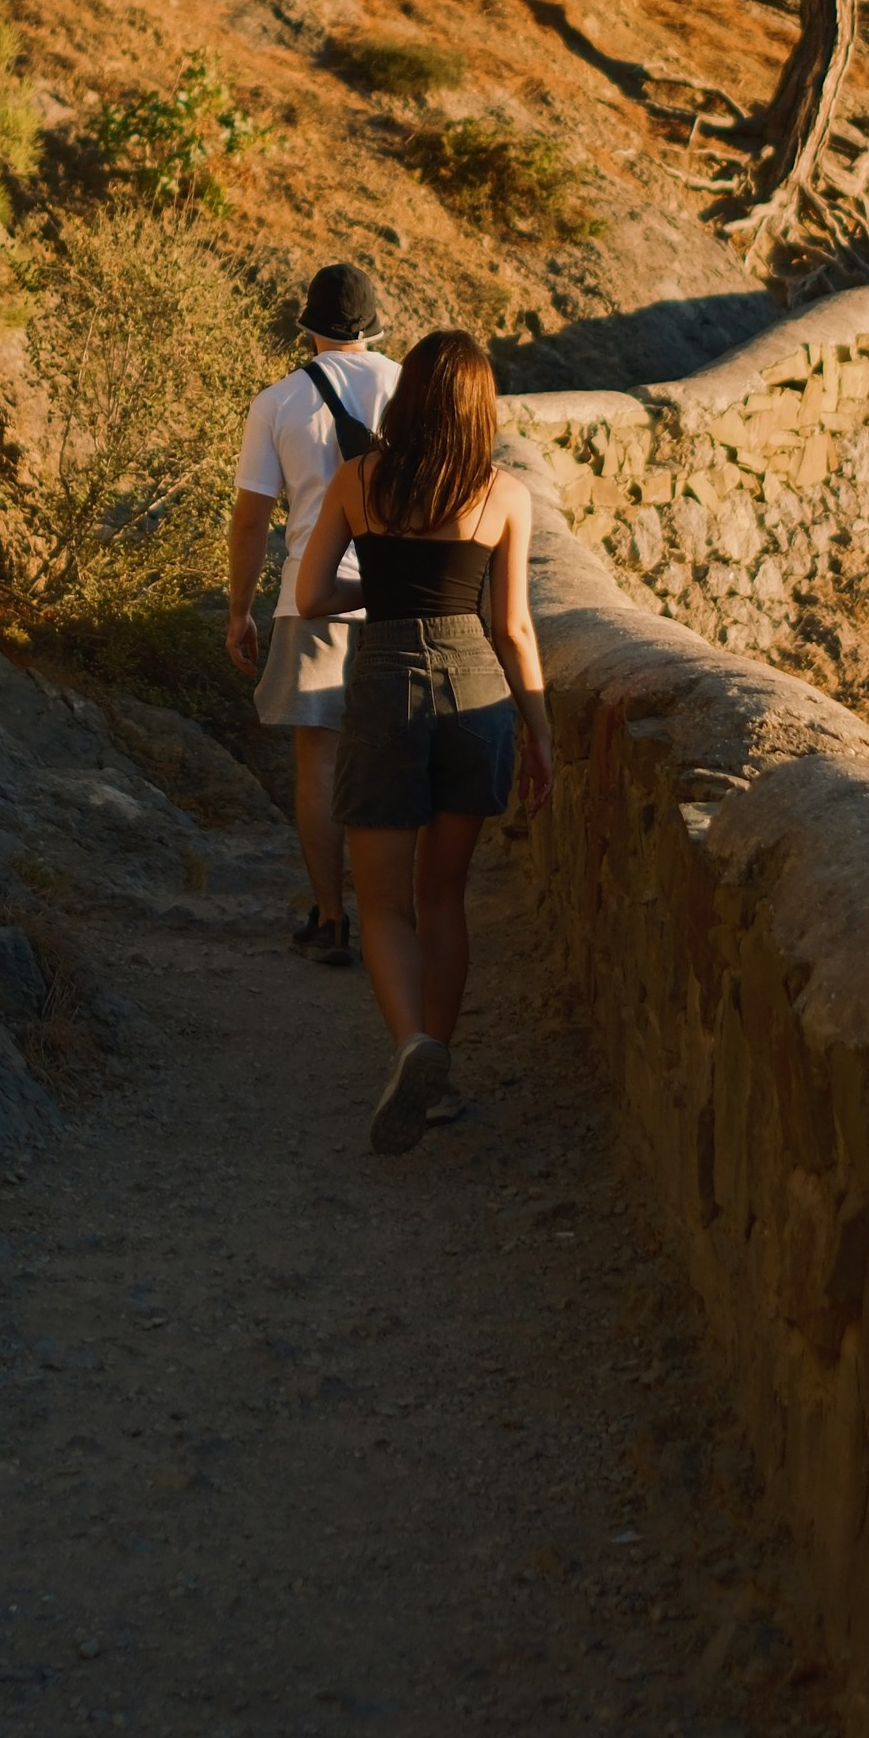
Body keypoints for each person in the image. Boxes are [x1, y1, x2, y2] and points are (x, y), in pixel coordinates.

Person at [293, 326, 555, 1154]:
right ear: (481, 411)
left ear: (405, 399)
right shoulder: (504, 495)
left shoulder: (355, 481)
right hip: (476, 690)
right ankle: (437, 1082)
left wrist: (380, 588)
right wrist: (541, 737)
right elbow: (511, 627)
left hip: (385, 685)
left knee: (383, 904)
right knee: (446, 894)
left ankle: (412, 1046)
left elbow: (308, 598)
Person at [226, 262, 401, 968]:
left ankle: (331, 919)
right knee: (393, 761)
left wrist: (240, 610)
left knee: (319, 766)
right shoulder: (408, 385)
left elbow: (250, 522)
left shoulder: (277, 403)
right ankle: (395, 916)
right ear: (375, 326)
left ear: (309, 327)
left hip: (310, 597)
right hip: (397, 597)